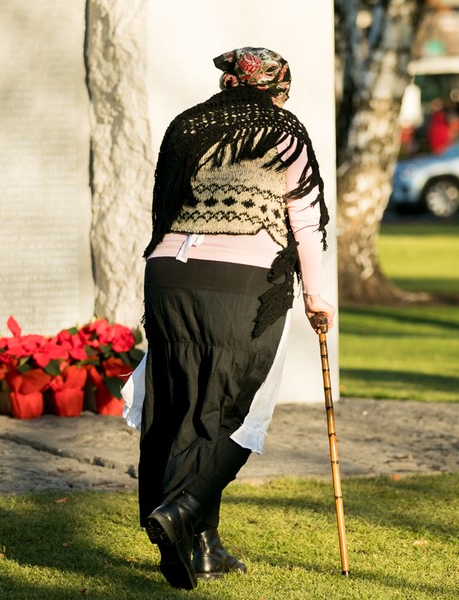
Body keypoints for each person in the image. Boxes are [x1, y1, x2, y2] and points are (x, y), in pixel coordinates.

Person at [121, 47, 335, 590]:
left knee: (181, 405)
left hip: (169, 276)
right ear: (277, 86)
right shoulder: (285, 131)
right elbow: (305, 222)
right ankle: (182, 509)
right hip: (246, 284)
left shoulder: (186, 127)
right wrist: (317, 295)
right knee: (243, 409)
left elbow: (162, 208)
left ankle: (204, 546)